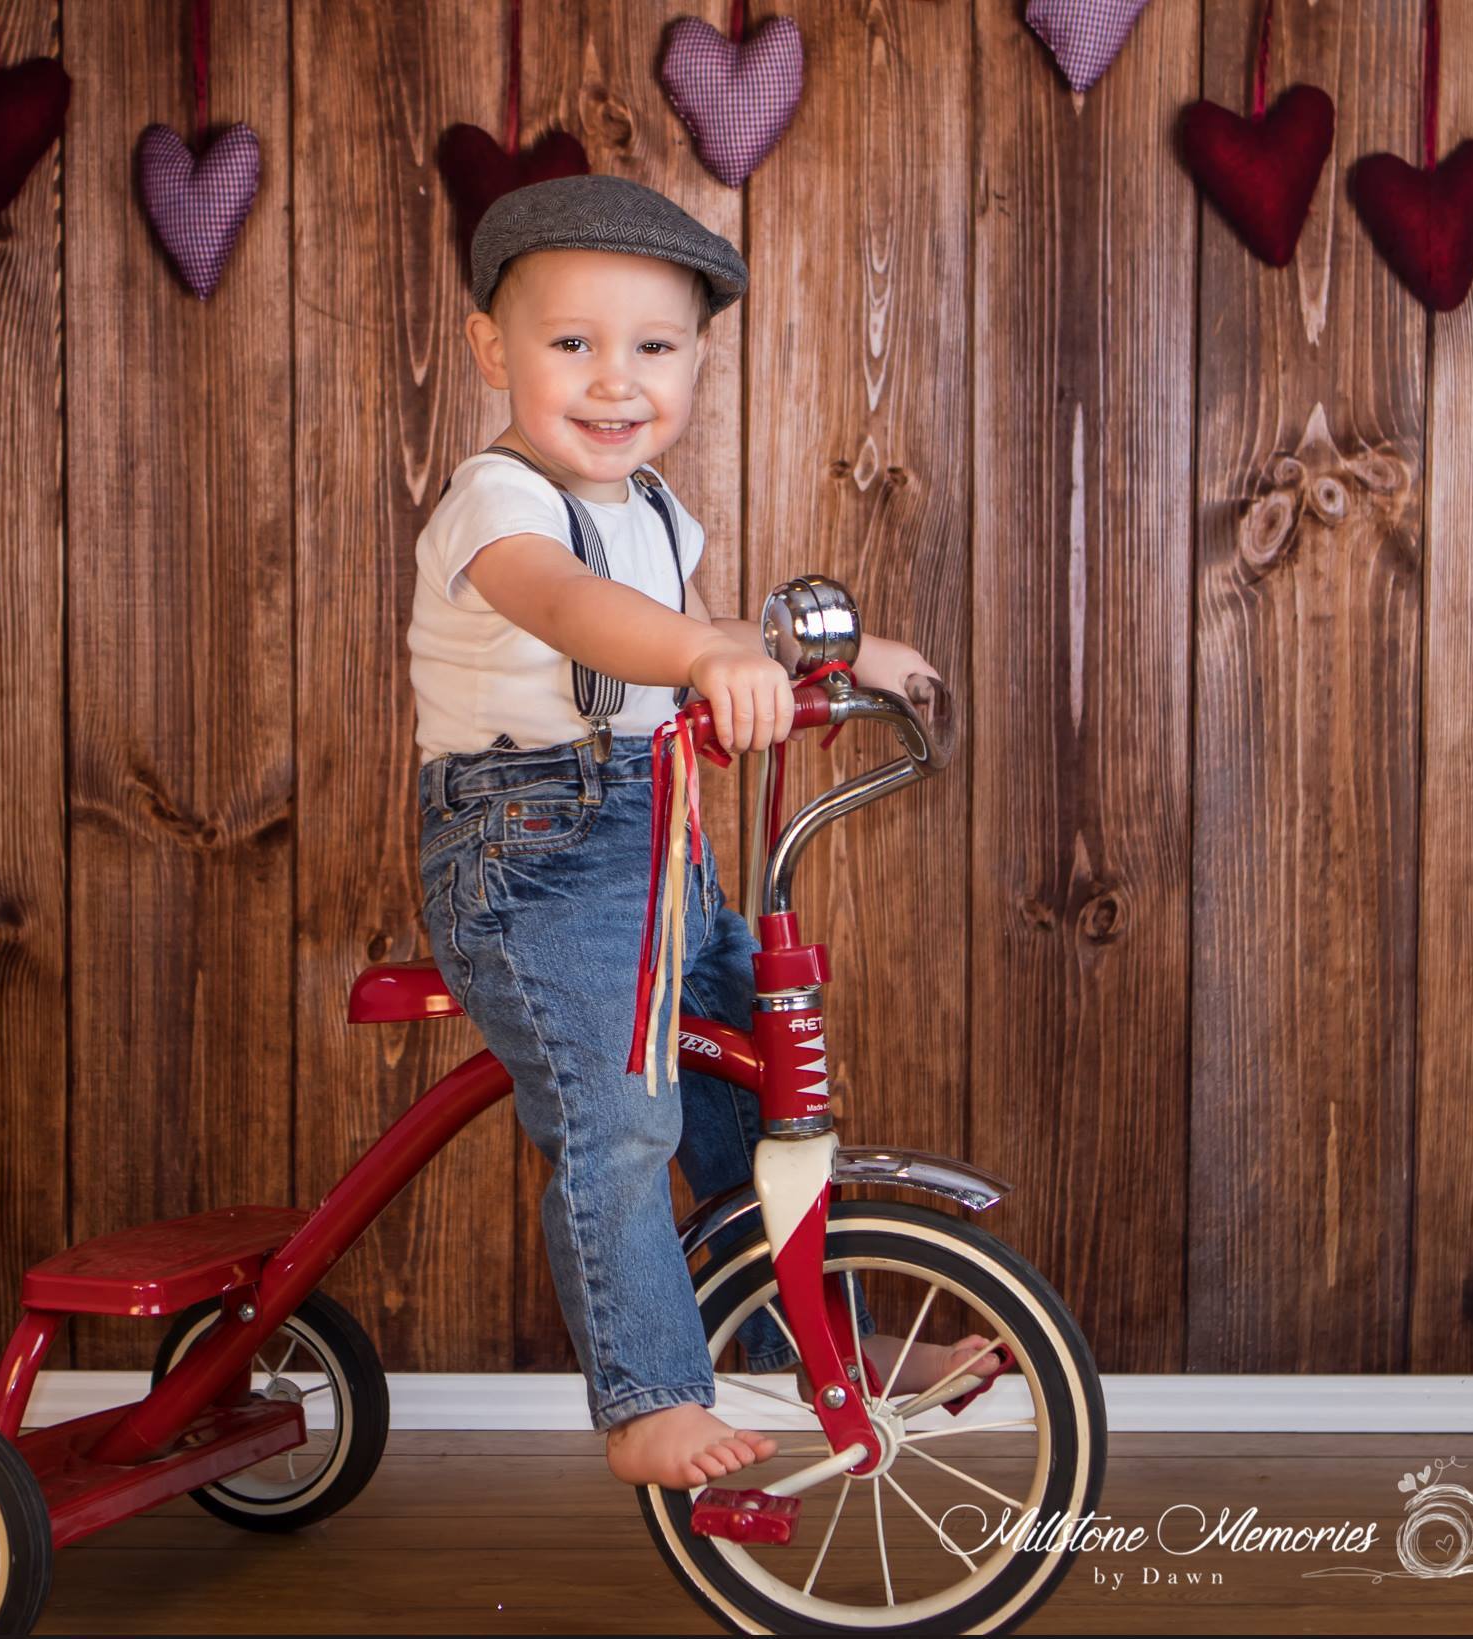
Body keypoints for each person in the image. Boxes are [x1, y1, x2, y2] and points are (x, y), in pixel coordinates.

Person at [407, 174, 999, 1490]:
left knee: (757, 1098)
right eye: (573, 344)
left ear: (697, 362)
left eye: (655, 348)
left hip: (659, 848)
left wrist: (842, 660)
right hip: (532, 863)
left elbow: (711, 637)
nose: (617, 382)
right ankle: (649, 1399)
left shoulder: (658, 513)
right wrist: (698, 654)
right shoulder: (497, 507)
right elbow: (574, 612)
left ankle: (823, 1349)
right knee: (622, 1117)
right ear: (492, 351)